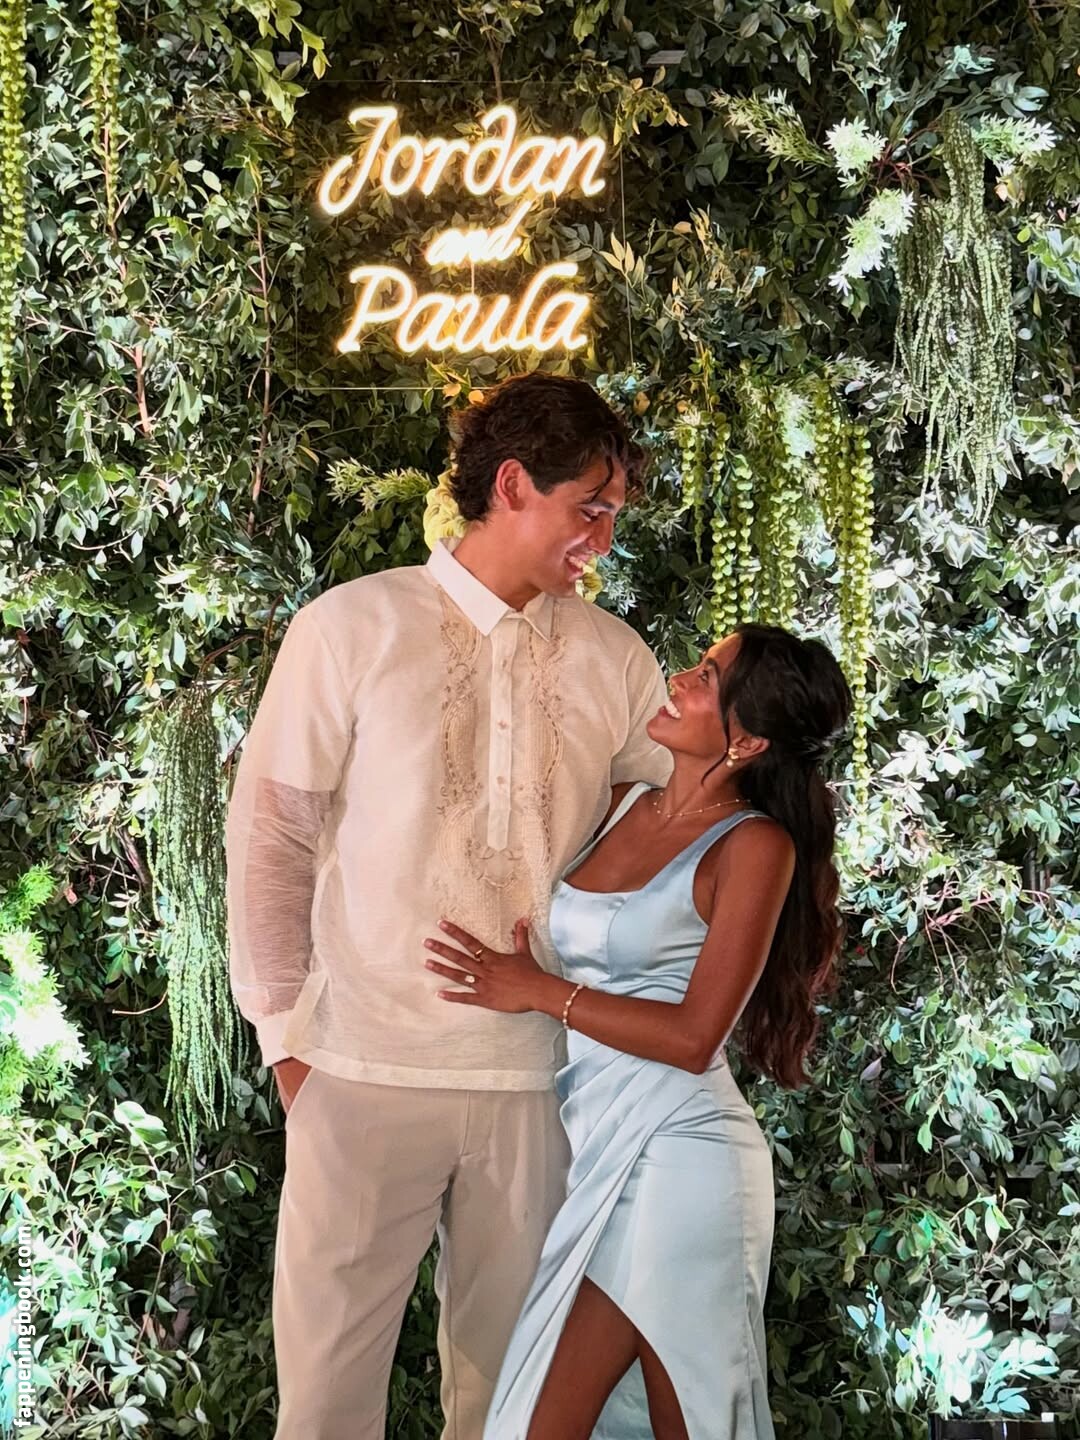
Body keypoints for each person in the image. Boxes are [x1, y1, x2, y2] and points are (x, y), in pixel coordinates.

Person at [224, 371, 674, 1440]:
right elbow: (272, 838)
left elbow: (674, 824)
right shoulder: (353, 626)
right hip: (361, 1068)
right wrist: (291, 1048)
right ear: (512, 485)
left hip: (540, 1084)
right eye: (589, 509)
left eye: (613, 515)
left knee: (514, 1408)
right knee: (326, 1407)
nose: (602, 541)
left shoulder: (615, 658)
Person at [421, 623, 852, 1440]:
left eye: (709, 679)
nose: (681, 678)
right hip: (595, 1151)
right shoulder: (619, 803)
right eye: (698, 663)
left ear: (749, 741)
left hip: (683, 1158)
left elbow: (695, 1037)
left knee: (672, 1421)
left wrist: (539, 991)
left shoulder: (755, 847)